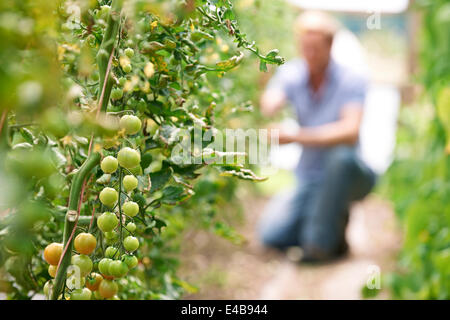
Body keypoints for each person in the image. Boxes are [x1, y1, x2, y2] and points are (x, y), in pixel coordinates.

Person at [258, 11, 377, 263]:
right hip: (310, 177)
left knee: (340, 157)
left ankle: (320, 246)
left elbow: (350, 130)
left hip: (351, 175)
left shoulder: (352, 79)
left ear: (330, 45)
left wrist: (296, 136)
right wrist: (269, 102)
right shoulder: (293, 73)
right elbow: (272, 98)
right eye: (305, 48)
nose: (310, 54)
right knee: (271, 236)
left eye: (316, 48)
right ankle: (333, 228)